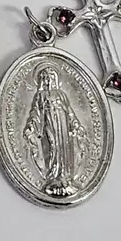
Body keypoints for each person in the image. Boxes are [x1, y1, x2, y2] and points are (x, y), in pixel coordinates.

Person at [23, 65, 87, 197]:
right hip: (48, 123)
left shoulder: (61, 94)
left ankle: (65, 177)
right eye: (45, 78)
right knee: (52, 146)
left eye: (50, 78)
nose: (47, 81)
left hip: (62, 125)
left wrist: (75, 124)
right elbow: (35, 112)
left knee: (64, 148)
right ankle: (53, 177)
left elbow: (69, 111)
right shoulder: (40, 95)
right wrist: (31, 125)